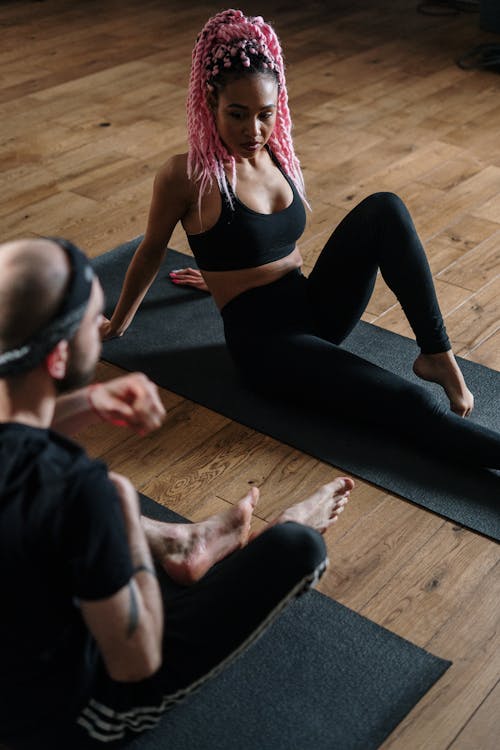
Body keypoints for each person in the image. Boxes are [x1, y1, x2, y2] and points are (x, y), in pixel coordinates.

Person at [102, 8, 500, 469]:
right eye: (237, 114)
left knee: (384, 208)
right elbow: (150, 250)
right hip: (267, 348)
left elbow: (264, 247)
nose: (253, 130)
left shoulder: (275, 152)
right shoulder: (186, 176)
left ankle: (437, 354)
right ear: (209, 103)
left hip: (314, 309)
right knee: (410, 405)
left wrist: (219, 273)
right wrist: (118, 324)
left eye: (264, 114)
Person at [0, 236, 353, 749]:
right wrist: (121, 525)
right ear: (58, 356)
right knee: (296, 549)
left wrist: (90, 401)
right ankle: (191, 546)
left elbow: (17, 434)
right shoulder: (77, 490)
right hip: (61, 723)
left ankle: (179, 543)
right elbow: (133, 664)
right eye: (92, 322)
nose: (101, 331)